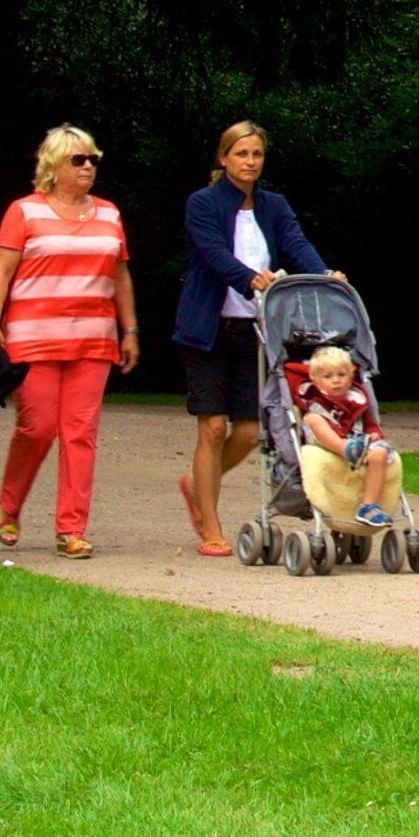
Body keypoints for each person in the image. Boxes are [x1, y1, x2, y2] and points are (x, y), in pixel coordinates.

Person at [173, 121, 335, 557]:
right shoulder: (203, 203)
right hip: (207, 330)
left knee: (247, 433)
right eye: (241, 154)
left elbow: (296, 245)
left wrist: (324, 275)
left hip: (256, 331)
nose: (249, 162)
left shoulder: (272, 205)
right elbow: (214, 254)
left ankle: (198, 485)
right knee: (212, 428)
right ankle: (210, 526)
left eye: (257, 154)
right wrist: (250, 278)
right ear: (223, 157)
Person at [0, 125, 139, 560]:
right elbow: (0, 275)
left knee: (80, 433)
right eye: (77, 160)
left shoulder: (109, 214)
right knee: (38, 427)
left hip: (94, 339)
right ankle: (9, 506)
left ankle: (71, 529)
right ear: (53, 166)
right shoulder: (23, 211)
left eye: (93, 160)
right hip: (33, 338)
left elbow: (120, 276)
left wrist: (129, 331)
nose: (88, 167)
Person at [286, 344, 403, 528]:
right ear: (315, 379)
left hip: (358, 441)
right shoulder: (312, 396)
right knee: (312, 418)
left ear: (351, 376)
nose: (336, 381)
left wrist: (374, 434)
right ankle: (346, 449)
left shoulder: (356, 399)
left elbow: (369, 422)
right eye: (328, 376)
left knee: (380, 453)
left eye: (341, 375)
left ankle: (369, 506)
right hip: (324, 440)